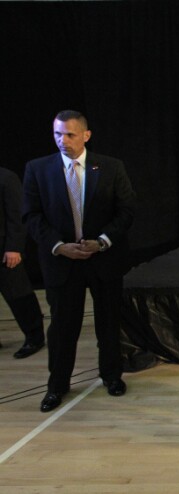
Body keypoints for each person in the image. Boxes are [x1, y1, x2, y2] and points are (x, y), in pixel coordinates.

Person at [22, 110, 136, 411]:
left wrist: (102, 242)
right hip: (62, 263)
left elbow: (126, 211)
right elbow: (31, 216)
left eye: (70, 134)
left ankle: (111, 376)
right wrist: (59, 246)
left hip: (104, 259)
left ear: (86, 135)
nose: (63, 141)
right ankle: (57, 385)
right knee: (62, 328)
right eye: (58, 134)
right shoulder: (38, 169)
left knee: (108, 322)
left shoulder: (111, 167)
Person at [0, 167, 45, 358]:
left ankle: (34, 337)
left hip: (4, 250)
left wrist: (14, 247)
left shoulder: (6, 178)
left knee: (18, 295)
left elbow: (17, 215)